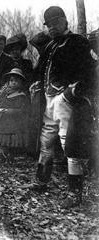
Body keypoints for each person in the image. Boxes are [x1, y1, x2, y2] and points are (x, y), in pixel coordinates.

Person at [29, 6, 95, 209]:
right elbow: (41, 71)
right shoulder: (49, 47)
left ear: (65, 21)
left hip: (70, 103)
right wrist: (38, 83)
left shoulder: (79, 43)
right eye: (48, 25)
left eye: (56, 23)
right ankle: (41, 181)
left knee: (70, 145)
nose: (52, 28)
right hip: (49, 103)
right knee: (46, 141)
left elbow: (91, 75)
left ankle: (75, 193)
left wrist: (70, 92)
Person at [0, 68, 30, 160]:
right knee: (3, 138)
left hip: (15, 122)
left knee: (14, 138)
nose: (14, 83)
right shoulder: (3, 94)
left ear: (21, 83)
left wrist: (12, 111)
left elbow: (24, 110)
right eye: (12, 80)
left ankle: (13, 153)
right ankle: (4, 153)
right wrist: (1, 110)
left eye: (16, 81)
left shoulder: (22, 96)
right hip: (3, 121)